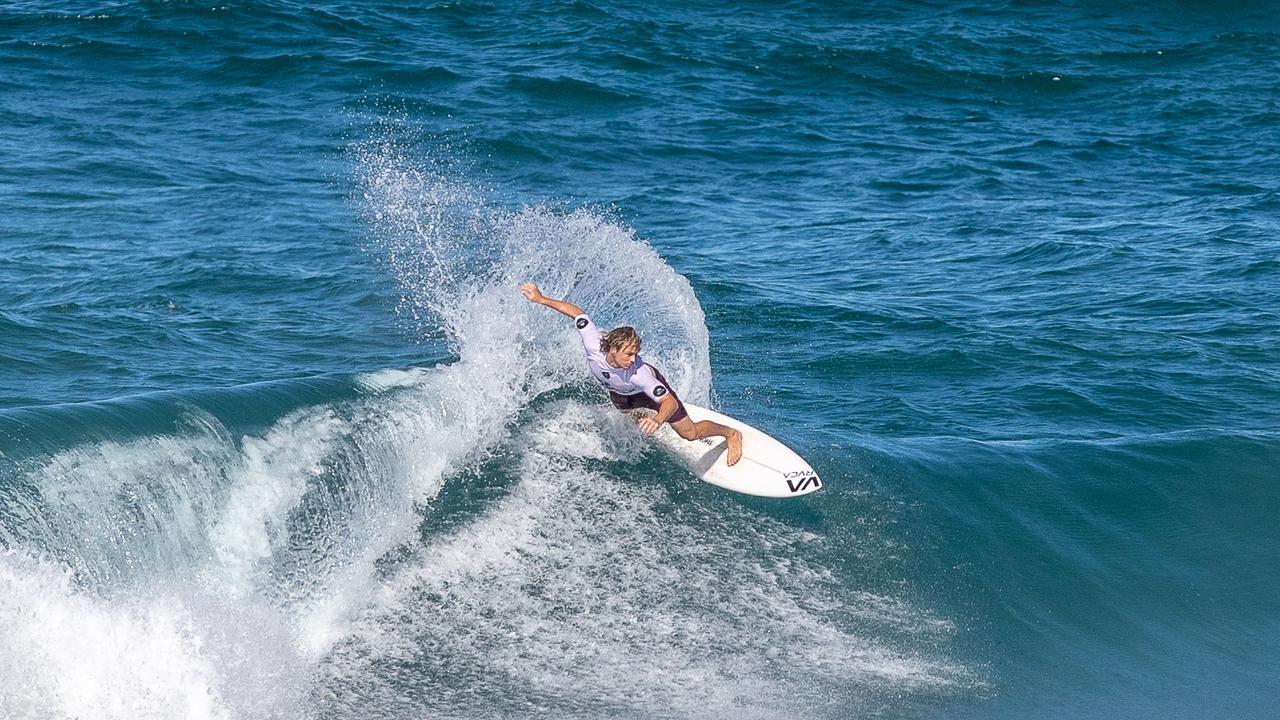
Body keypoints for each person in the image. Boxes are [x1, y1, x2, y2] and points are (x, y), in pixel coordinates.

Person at [520, 282, 743, 466]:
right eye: (628, 354)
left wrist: (657, 419)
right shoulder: (593, 343)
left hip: (643, 393)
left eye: (636, 353)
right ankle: (645, 418)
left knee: (689, 433)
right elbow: (578, 313)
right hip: (619, 392)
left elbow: (669, 402)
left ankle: (730, 434)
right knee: (631, 418)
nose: (633, 359)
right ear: (612, 349)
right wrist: (541, 299)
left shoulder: (640, 373)